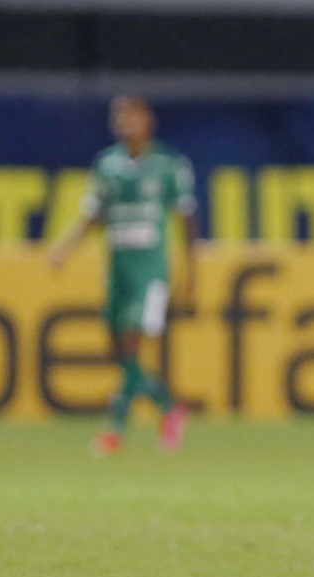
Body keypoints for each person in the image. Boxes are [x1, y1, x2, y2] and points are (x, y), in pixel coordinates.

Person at [50, 96, 198, 455]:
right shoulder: (107, 164)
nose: (123, 122)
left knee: (132, 343)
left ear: (148, 119)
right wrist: (66, 247)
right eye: (118, 116)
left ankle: (115, 431)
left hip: (151, 271)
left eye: (130, 115)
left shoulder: (170, 165)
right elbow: (93, 214)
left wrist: (191, 271)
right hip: (118, 268)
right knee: (118, 350)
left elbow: (187, 220)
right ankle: (169, 407)